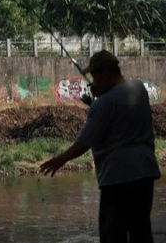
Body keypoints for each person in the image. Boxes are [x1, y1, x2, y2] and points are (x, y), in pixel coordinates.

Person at [40, 49, 162, 243]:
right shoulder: (139, 89)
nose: (93, 79)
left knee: (112, 234)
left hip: (118, 177)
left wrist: (60, 159)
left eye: (95, 75)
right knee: (141, 231)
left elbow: (84, 143)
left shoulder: (103, 104)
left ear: (105, 73)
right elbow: (119, 112)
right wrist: (102, 96)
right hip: (145, 171)